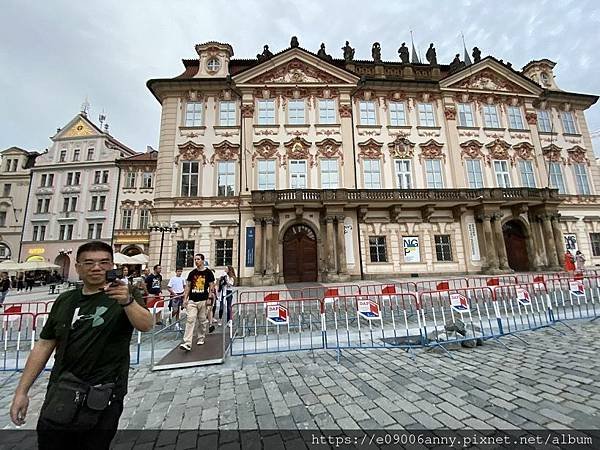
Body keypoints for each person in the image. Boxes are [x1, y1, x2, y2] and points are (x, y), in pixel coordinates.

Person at [9, 240, 152, 450]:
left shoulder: (126, 295)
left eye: (104, 262)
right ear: (78, 268)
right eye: (89, 263)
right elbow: (44, 345)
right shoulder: (65, 300)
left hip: (104, 394)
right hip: (62, 390)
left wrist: (127, 302)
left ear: (112, 266)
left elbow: (146, 325)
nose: (96, 267)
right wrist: (21, 391)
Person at [179, 254, 215, 351]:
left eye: (198, 259)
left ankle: (201, 337)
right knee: (190, 319)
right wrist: (185, 299)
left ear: (203, 260)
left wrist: (209, 298)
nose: (196, 261)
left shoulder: (208, 273)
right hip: (192, 300)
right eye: (195, 259)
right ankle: (187, 342)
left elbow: (212, 286)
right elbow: (188, 286)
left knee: (202, 320)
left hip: (203, 299)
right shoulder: (192, 273)